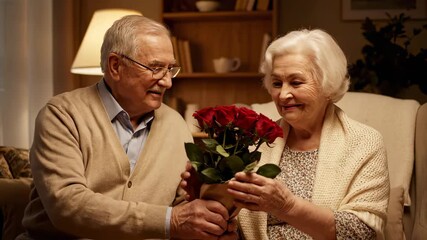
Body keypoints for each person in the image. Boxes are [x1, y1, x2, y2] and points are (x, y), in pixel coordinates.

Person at [18, 15, 237, 240]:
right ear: (115, 66)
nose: (167, 81)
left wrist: (211, 224)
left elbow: (180, 207)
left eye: (171, 69)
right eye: (156, 68)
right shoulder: (62, 114)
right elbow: (67, 205)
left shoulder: (175, 124)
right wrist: (170, 221)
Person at [182, 29, 390, 239]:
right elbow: (239, 229)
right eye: (276, 83)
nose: (283, 94)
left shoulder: (364, 143)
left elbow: (361, 231)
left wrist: (286, 206)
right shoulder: (254, 142)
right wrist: (205, 199)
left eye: (296, 82)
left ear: (328, 84)